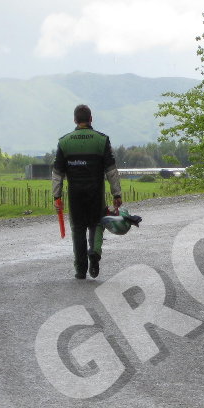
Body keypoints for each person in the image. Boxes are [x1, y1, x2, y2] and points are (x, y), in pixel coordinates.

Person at [52, 105, 122, 279]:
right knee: (97, 223)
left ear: (75, 120)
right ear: (91, 119)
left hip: (75, 195)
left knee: (78, 229)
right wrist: (117, 194)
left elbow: (57, 173)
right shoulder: (102, 140)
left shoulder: (64, 142)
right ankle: (95, 252)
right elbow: (111, 171)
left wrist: (57, 196)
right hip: (95, 194)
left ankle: (80, 270)